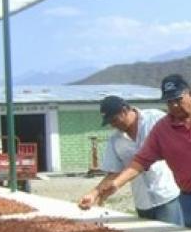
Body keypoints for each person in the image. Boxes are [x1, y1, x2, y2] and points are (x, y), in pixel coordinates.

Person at [95, 75, 191, 229]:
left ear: (190, 94)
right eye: (169, 102)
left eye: (178, 99)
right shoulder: (162, 129)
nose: (175, 106)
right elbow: (140, 161)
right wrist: (116, 184)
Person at [78, 95, 183, 225]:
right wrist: (94, 193)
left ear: (124, 110)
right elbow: (113, 172)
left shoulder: (154, 118)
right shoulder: (115, 140)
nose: (113, 125)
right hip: (143, 202)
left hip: (167, 196)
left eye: (114, 120)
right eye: (110, 122)